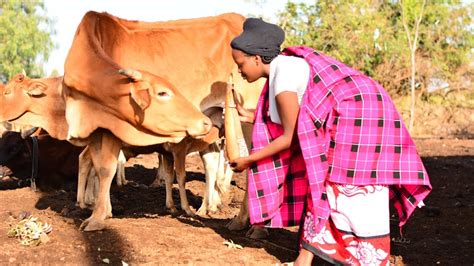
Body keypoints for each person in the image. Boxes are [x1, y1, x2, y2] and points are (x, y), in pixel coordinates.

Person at [229, 17, 432, 265]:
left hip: (357, 115)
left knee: (346, 184)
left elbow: (289, 136)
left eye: (240, 64)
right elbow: (297, 115)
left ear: (256, 58)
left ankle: (371, 256)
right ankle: (305, 257)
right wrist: (250, 115)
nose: (239, 71)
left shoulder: (282, 76)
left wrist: (249, 160)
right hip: (365, 106)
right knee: (325, 182)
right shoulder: (286, 68)